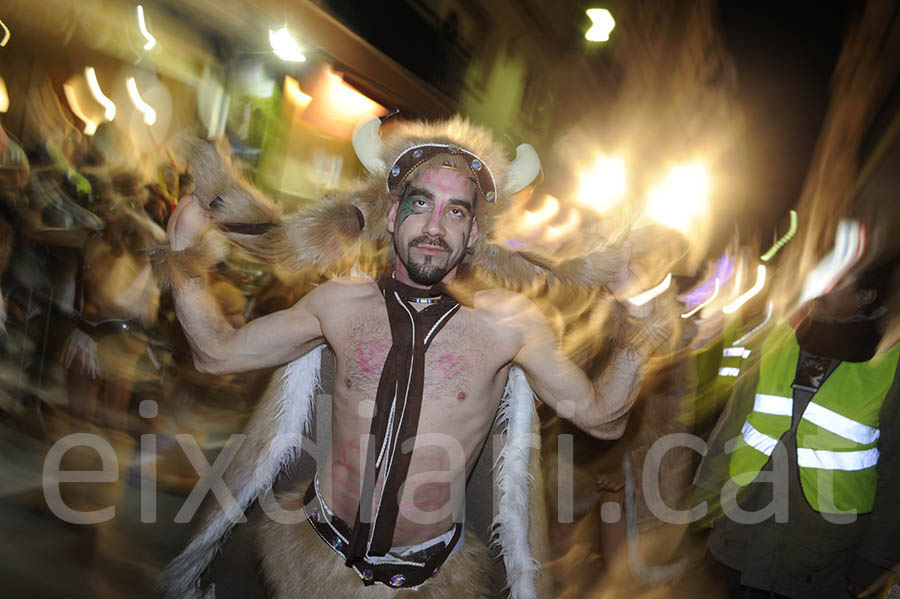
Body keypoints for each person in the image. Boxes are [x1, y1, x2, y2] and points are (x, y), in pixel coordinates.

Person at [159, 116, 667, 598]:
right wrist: (185, 260)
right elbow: (217, 354)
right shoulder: (339, 303)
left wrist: (638, 320)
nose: (434, 226)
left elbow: (603, 419)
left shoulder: (508, 324)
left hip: (431, 579)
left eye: (456, 211)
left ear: (473, 235)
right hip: (310, 563)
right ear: (389, 214)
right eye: (420, 202)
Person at [693, 260, 900, 599]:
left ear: (867, 296)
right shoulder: (778, 340)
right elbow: (732, 426)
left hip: (817, 555)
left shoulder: (888, 367)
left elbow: (894, 476)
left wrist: (872, 564)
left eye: (837, 279)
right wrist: (703, 503)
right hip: (741, 532)